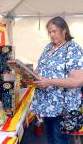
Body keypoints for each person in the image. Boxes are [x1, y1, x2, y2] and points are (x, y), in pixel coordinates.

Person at [31, 16, 83, 144]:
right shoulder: (48, 47)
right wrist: (29, 75)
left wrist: (48, 81)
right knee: (50, 137)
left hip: (62, 107)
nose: (51, 35)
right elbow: (39, 69)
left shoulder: (73, 49)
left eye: (54, 31)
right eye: (49, 32)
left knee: (59, 140)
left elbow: (77, 81)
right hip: (47, 105)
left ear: (64, 30)